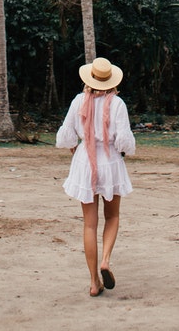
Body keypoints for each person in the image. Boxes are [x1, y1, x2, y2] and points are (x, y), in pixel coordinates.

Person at [56, 57, 135, 297]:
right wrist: (123, 150)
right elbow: (124, 140)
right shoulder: (118, 104)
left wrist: (75, 145)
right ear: (111, 81)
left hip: (84, 162)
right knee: (112, 216)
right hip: (109, 161)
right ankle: (106, 261)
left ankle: (93, 282)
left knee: (89, 224)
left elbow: (67, 135)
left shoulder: (79, 100)